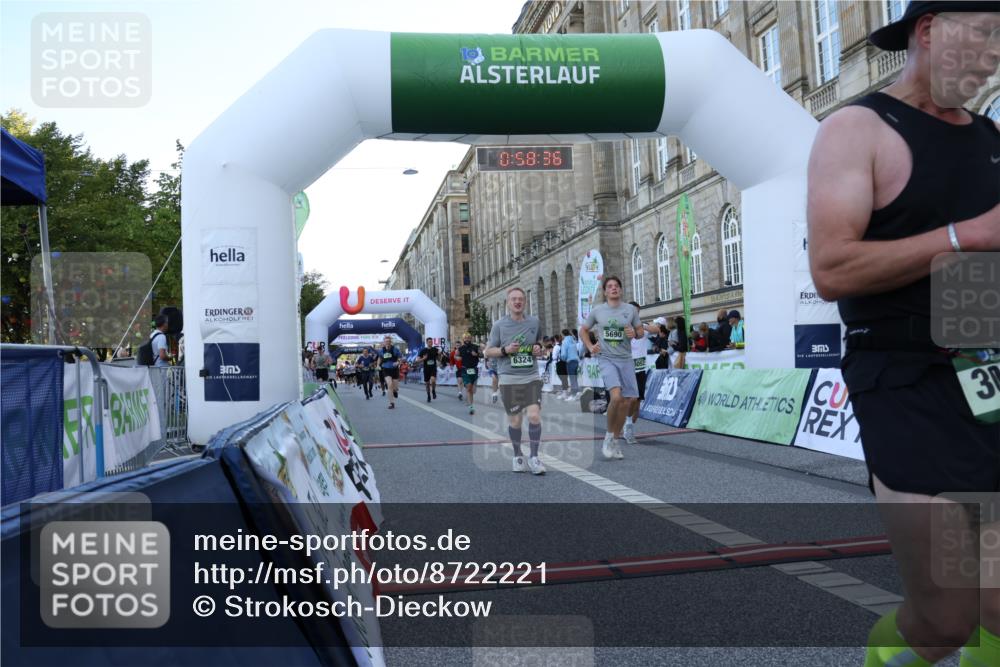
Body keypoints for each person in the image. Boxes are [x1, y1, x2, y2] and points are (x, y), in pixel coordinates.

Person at [807, 4, 1000, 665]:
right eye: (984, 34)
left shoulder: (989, 136)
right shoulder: (857, 128)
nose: (995, 53)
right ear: (929, 31)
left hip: (986, 372)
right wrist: (968, 235)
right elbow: (832, 268)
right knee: (947, 615)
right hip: (904, 377)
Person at [580, 277, 643, 461]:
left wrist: (635, 333)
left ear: (621, 291)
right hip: (606, 358)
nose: (614, 288)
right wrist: (590, 347)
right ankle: (608, 436)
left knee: (627, 401)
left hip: (626, 359)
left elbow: (640, 331)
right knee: (616, 397)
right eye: (610, 287)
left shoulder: (630, 310)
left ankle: (615, 439)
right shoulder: (598, 311)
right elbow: (583, 330)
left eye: (616, 286)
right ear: (605, 292)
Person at [485, 286, 546, 475]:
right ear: (508, 303)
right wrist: (505, 351)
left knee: (534, 415)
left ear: (524, 302)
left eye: (521, 299)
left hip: (531, 376)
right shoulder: (499, 326)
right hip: (510, 378)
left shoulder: (534, 322)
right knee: (516, 421)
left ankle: (534, 457)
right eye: (514, 299)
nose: (518, 302)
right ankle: (518, 454)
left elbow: (541, 343)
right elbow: (487, 351)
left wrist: (539, 348)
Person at [623, 301, 650, 445]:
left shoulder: (642, 328)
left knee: (637, 405)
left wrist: (642, 326)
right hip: (628, 368)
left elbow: (657, 329)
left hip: (641, 369)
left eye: (637, 312)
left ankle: (629, 427)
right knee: (632, 399)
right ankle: (627, 425)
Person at [457, 332, 482, 414]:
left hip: (474, 369)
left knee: (473, 390)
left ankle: (471, 400)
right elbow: (456, 356)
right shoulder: (460, 348)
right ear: (463, 339)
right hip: (465, 369)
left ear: (470, 338)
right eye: (465, 338)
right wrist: (458, 358)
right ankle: (471, 407)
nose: (467, 339)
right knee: (469, 387)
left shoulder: (475, 347)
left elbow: (482, 354)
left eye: (468, 338)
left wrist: (477, 354)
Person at [377, 335, 402, 409]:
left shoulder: (395, 349)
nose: (387, 342)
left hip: (394, 369)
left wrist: (398, 362)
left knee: (395, 388)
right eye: (386, 341)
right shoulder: (381, 350)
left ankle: (395, 391)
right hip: (386, 369)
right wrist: (378, 365)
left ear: (391, 342)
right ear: (384, 342)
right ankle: (392, 403)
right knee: (389, 384)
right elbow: (379, 358)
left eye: (388, 341)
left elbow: (400, 358)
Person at [416, 337, 440, 403]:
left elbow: (439, 359)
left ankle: (433, 391)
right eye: (429, 342)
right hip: (426, 369)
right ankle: (428, 395)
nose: (430, 343)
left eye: (431, 342)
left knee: (433, 380)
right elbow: (417, 360)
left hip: (433, 368)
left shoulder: (435, 349)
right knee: (427, 383)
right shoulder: (423, 350)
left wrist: (440, 354)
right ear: (426, 343)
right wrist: (423, 358)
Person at [560, 328, 581, 400]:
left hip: (570, 361)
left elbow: (563, 354)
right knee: (575, 378)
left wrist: (563, 358)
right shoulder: (573, 340)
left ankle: (573, 394)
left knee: (572, 378)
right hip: (576, 360)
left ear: (563, 334)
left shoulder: (565, 341)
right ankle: (577, 392)